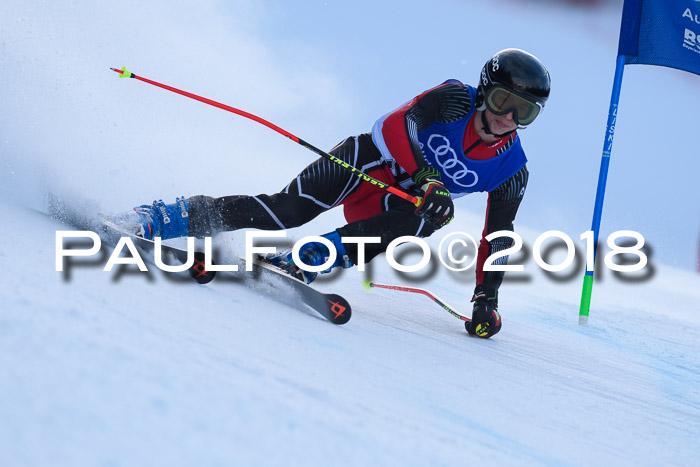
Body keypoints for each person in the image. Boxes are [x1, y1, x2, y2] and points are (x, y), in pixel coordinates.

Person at [126, 48, 551, 339]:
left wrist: (486, 298)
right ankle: (168, 217)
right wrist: (425, 176)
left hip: (390, 209)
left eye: (524, 111)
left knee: (435, 214)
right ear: (483, 91)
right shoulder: (454, 100)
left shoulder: (512, 169)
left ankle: (309, 259)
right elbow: (391, 125)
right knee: (285, 211)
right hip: (364, 164)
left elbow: (498, 236)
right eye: (500, 100)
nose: (507, 117)